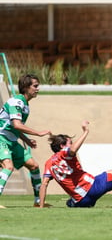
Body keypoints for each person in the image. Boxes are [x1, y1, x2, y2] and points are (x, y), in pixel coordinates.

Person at [39, 121, 112, 208]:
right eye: (70, 143)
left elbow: (44, 184)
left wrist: (41, 206)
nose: (72, 145)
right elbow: (72, 150)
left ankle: (72, 202)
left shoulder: (48, 163)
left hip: (81, 201)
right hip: (93, 188)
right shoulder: (64, 153)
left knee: (69, 202)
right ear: (62, 146)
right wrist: (85, 132)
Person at [0, 74, 51, 208]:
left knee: (33, 165)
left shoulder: (25, 105)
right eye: (35, 86)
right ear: (26, 87)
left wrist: (27, 140)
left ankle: (38, 201)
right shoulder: (16, 102)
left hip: (11, 141)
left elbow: (15, 127)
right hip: (1, 138)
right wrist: (38, 133)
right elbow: (17, 125)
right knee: (8, 166)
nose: (37, 89)